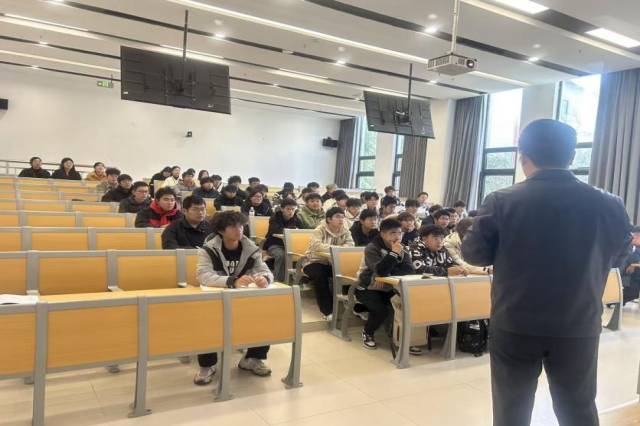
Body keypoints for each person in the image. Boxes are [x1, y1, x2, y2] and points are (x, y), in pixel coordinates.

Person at [461, 119, 633, 426]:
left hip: (515, 321)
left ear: (522, 155)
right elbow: (619, 258)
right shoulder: (610, 203)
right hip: (578, 322)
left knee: (511, 410)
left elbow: (474, 255)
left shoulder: (501, 200)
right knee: (578, 408)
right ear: (572, 156)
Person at [194, 211, 274, 384]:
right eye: (233, 226)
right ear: (221, 231)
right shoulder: (208, 250)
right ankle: (207, 365)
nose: (239, 230)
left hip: (242, 299)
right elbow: (203, 276)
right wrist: (232, 281)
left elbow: (265, 271)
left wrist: (265, 279)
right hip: (216, 299)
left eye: (241, 225)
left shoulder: (251, 249)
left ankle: (252, 359)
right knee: (206, 320)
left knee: (264, 316)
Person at [355, 219, 414, 350]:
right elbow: (381, 270)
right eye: (393, 233)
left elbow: (409, 270)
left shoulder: (402, 248)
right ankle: (368, 333)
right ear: (383, 234)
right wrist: (393, 254)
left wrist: (384, 275)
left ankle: (401, 337)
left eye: (400, 233)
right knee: (380, 310)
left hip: (389, 286)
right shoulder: (372, 248)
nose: (397, 237)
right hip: (366, 287)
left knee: (405, 305)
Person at [301, 207, 355, 320]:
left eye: (342, 217)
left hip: (333, 263)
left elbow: (351, 245)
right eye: (337, 217)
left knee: (349, 273)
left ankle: (352, 304)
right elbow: (317, 246)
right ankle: (328, 311)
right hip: (314, 261)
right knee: (319, 276)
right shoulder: (319, 230)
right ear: (329, 219)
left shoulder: (345, 230)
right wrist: (338, 248)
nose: (341, 219)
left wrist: (334, 249)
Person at [264, 199, 305, 282]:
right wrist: (292, 230)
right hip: (274, 244)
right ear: (282, 209)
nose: (291, 211)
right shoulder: (274, 218)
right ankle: (277, 279)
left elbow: (303, 229)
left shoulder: (295, 218)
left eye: (293, 209)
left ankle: (297, 280)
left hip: (290, 245)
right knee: (282, 255)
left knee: (304, 254)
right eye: (288, 209)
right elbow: (276, 231)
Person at [622, 226, 640, 305]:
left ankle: (621, 298)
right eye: (635, 235)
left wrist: (634, 265)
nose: (636, 238)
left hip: (634, 277)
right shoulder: (626, 246)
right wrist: (632, 264)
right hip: (626, 275)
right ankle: (619, 297)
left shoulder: (637, 249)